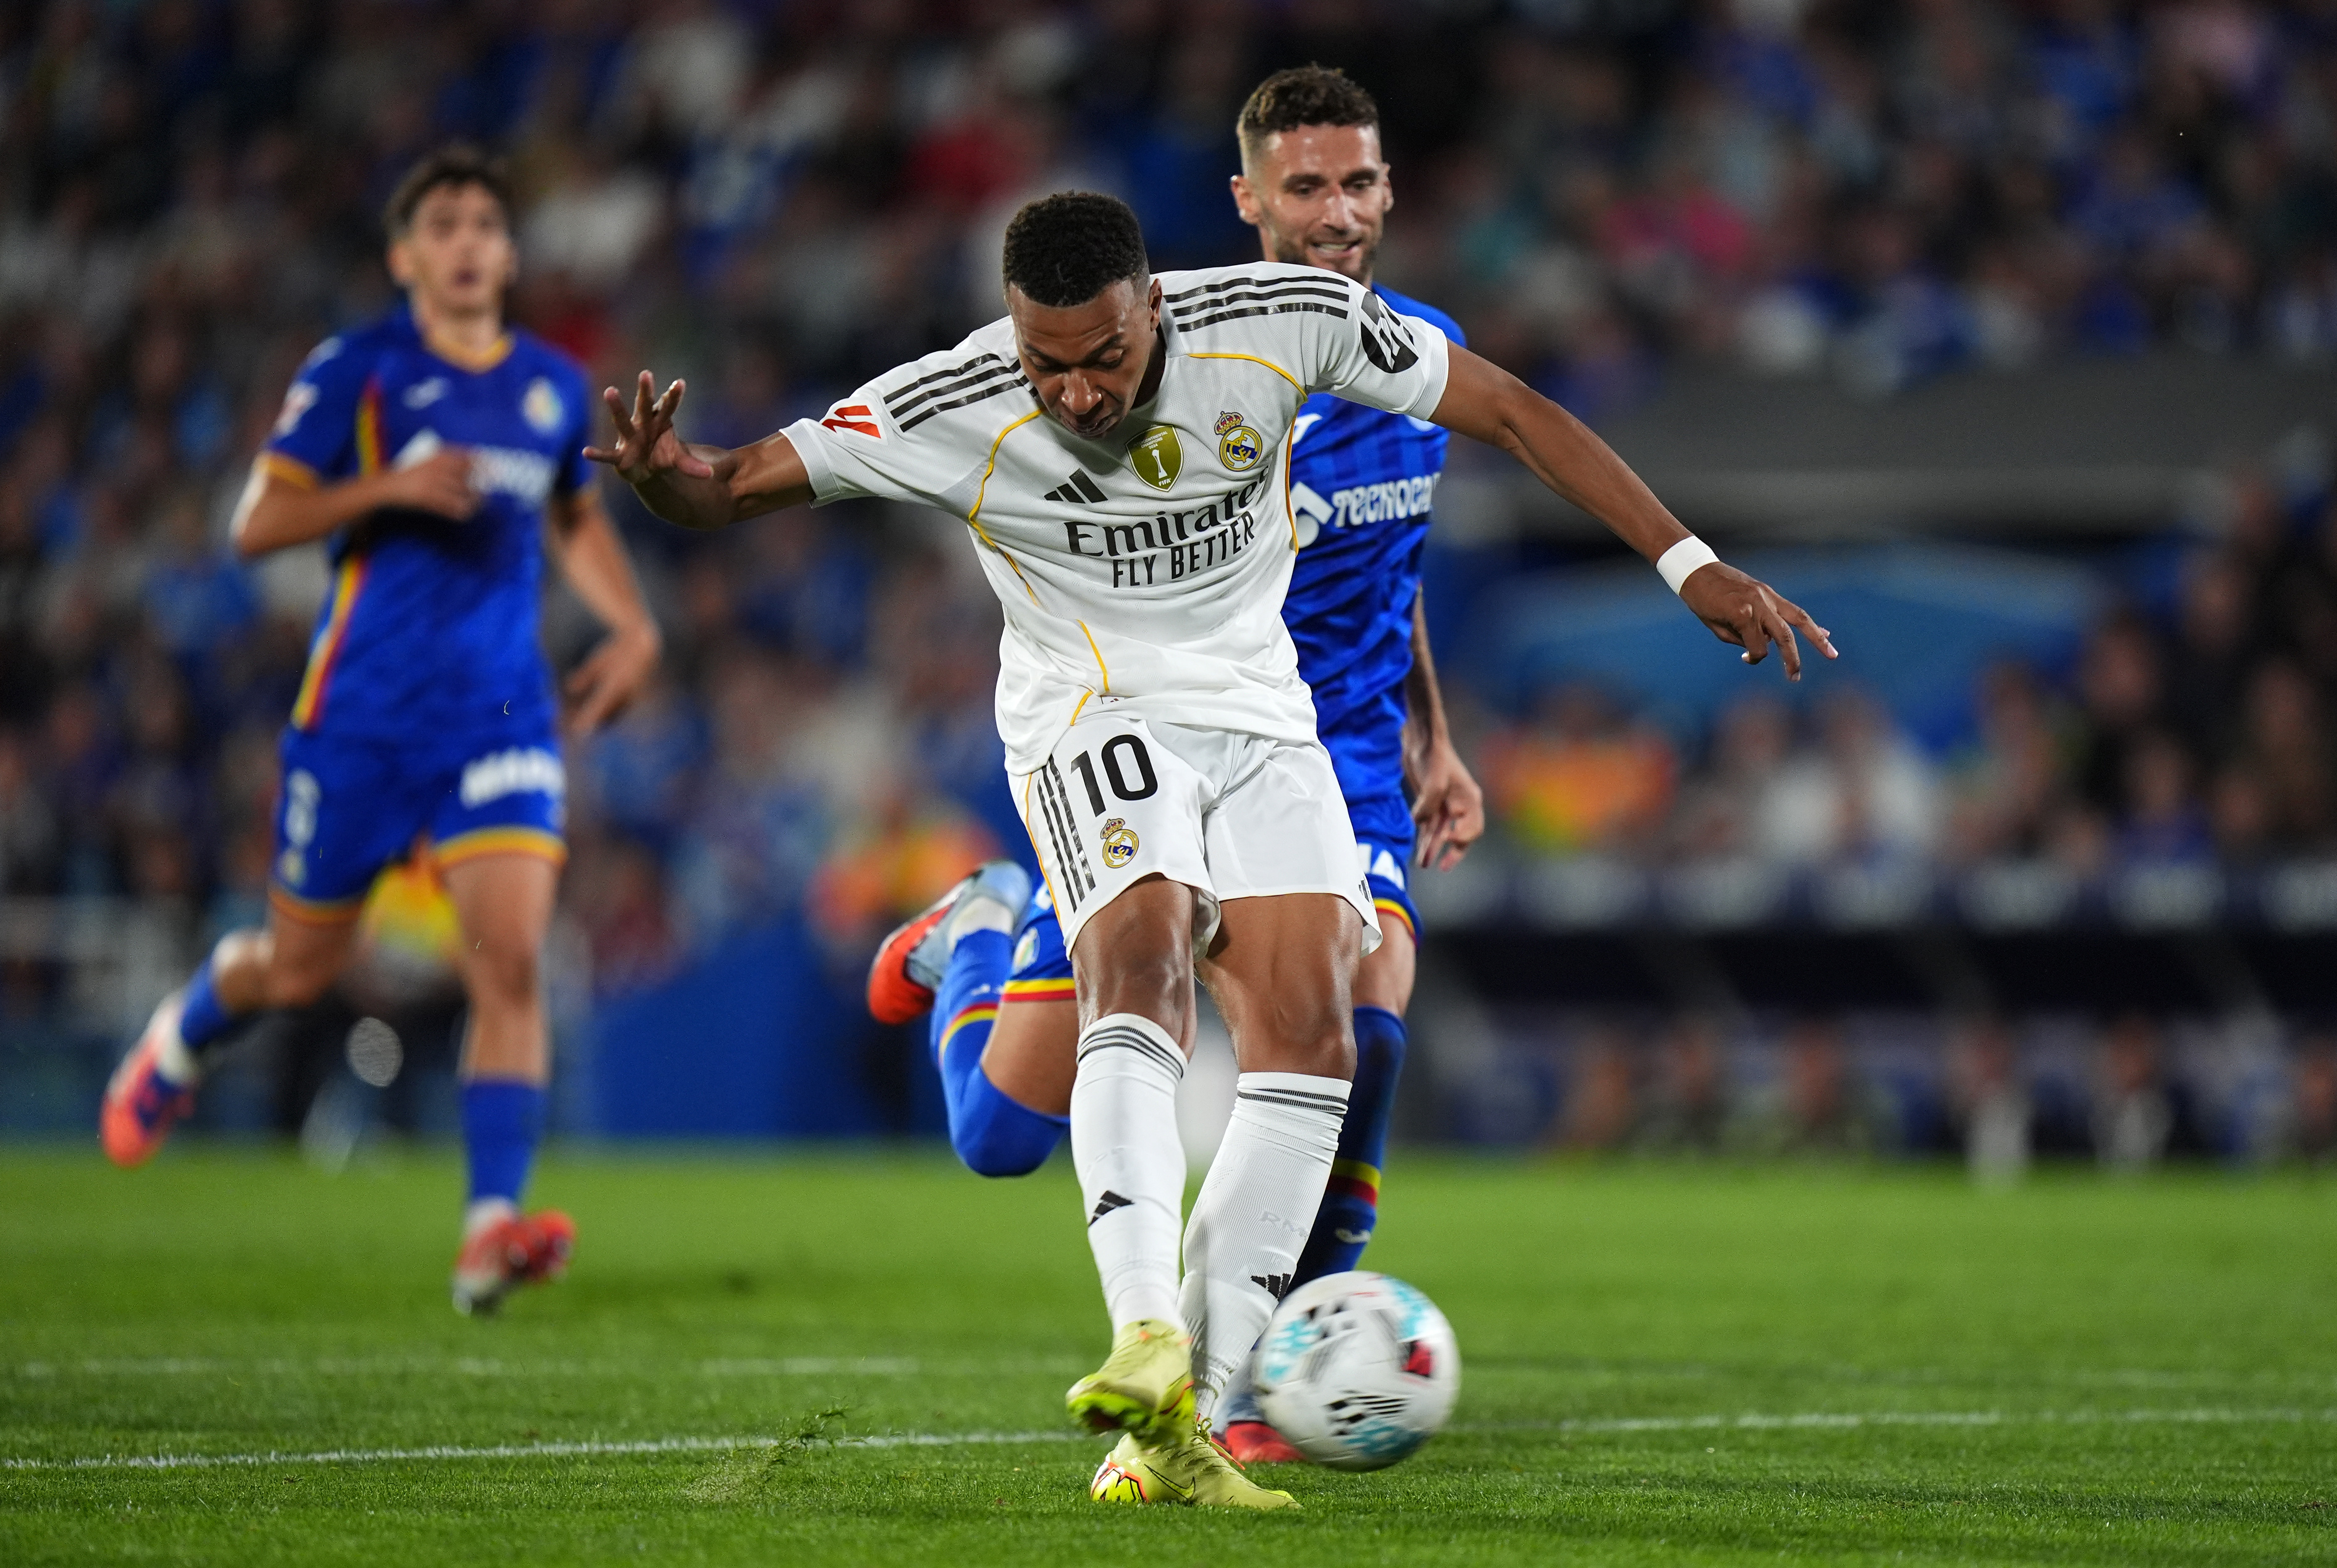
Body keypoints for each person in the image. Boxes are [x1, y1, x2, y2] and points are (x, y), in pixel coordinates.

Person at [590, 191, 1829, 1509]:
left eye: (1102, 358)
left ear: (1156, 307)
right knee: (1148, 958)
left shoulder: (1281, 325)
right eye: (1045, 361)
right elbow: (729, 486)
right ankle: (1145, 1332)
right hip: (1090, 716)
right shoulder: (951, 399)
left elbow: (1514, 410)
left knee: (1316, 1032)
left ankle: (1187, 1423)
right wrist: (669, 479)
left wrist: (1690, 565)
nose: (1071, 391)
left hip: (1259, 716)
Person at [862, 65, 1485, 1467]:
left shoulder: (1410, 354)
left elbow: (1393, 560)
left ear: (1390, 190)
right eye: (1306, 187)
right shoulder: (1200, 371)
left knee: (1361, 1019)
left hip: (1332, 762)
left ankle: (1261, 1366)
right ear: (1247, 201)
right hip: (1150, 750)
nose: (1337, 213)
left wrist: (1433, 732)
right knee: (1001, 1135)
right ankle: (974, 928)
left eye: (1359, 183)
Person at [100, 146, 662, 1317]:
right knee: (298, 967)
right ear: (406, 257)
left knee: (507, 960)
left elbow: (572, 516)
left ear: (509, 253)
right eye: (442, 225)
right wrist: (384, 493)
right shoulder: (358, 372)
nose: (466, 243)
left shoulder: (555, 387)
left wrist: (634, 626)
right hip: (358, 720)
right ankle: (185, 1030)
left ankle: (486, 1232)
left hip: (500, 716)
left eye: (484, 224)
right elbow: (257, 522)